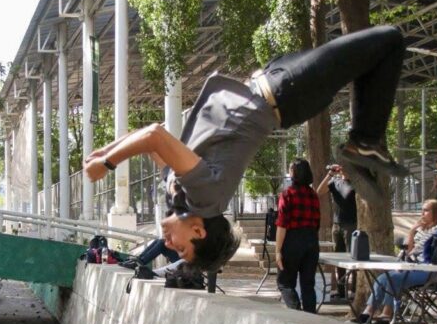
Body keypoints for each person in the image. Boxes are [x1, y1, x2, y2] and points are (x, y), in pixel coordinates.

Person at [83, 26, 408, 274]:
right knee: (389, 39)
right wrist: (108, 163)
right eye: (181, 250)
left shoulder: (181, 193)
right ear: (198, 230)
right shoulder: (206, 197)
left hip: (276, 81)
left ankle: (364, 142)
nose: (168, 245)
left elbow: (149, 137)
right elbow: (154, 136)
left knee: (373, 54)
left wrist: (103, 155)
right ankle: (364, 141)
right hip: (290, 92)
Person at [354, 199, 437, 324]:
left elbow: (418, 251)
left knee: (394, 278)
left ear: (435, 212)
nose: (422, 213)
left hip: (428, 270)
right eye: (422, 210)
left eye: (426, 210)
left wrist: (410, 254)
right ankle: (368, 312)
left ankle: (387, 314)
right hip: (412, 267)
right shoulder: (422, 229)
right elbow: (409, 251)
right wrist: (412, 231)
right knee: (382, 278)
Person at [276, 158, 321, 313]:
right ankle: (311, 318)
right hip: (312, 240)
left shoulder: (287, 194)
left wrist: (277, 251)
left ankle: (296, 313)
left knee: (285, 283)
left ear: (293, 173)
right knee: (308, 285)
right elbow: (317, 222)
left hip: (292, 240)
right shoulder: (313, 195)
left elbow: (282, 224)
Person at [317, 164, 357, 298]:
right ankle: (341, 290)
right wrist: (330, 174)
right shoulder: (335, 181)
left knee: (352, 257)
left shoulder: (356, 183)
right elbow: (319, 191)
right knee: (339, 258)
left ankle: (354, 290)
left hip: (351, 224)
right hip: (337, 225)